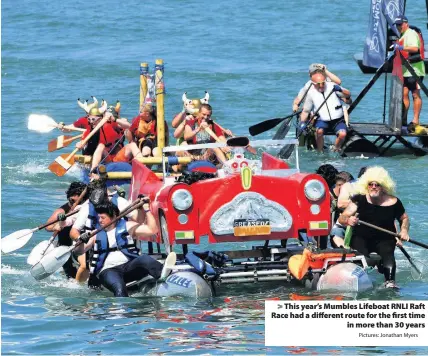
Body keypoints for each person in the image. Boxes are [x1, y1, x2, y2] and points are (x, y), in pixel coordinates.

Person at [74, 201, 176, 297]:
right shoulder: (94, 234)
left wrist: (146, 210)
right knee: (119, 289)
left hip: (128, 267)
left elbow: (152, 230)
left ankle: (163, 274)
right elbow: (78, 251)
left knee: (144, 259)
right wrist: (81, 240)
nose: (100, 220)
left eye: (103, 217)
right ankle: (122, 308)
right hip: (108, 271)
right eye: (99, 217)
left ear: (113, 216)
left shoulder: (128, 226)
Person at [338, 166, 410, 288]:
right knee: (362, 258)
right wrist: (348, 220)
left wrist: (404, 230)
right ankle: (367, 271)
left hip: (385, 239)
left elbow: (404, 218)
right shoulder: (359, 199)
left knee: (388, 254)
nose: (374, 187)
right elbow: (342, 218)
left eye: (377, 184)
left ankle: (390, 283)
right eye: (370, 184)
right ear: (366, 185)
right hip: (361, 237)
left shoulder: (394, 202)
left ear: (384, 187)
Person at [69, 179, 139, 282]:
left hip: (121, 242)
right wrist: (80, 238)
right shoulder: (87, 208)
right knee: (84, 265)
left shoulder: (120, 202)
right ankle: (78, 287)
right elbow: (73, 231)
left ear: (106, 193)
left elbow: (138, 219)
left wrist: (142, 209)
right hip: (96, 244)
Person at [300, 71, 352, 152]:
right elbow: (306, 111)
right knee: (319, 131)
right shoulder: (310, 93)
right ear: (313, 84)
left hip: (338, 120)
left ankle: (336, 149)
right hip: (322, 120)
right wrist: (302, 123)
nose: (321, 86)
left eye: (323, 83)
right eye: (318, 84)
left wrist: (341, 90)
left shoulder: (332, 86)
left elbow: (348, 94)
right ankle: (320, 152)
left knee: (343, 134)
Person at [45, 181, 87, 279]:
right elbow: (47, 226)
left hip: (81, 245)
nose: (75, 204)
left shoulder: (85, 208)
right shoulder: (62, 211)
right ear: (68, 197)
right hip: (65, 249)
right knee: (71, 278)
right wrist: (55, 227)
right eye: (72, 200)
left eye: (79, 200)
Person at [393, 15, 425, 128]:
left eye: (400, 24)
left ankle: (415, 120)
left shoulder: (411, 33)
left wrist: (400, 48)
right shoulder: (402, 35)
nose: (398, 27)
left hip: (415, 70)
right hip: (405, 70)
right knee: (404, 94)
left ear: (406, 23)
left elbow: (415, 48)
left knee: (415, 94)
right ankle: (403, 120)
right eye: (397, 25)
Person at [329, 171, 355, 248]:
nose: (341, 188)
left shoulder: (353, 197)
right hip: (333, 229)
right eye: (338, 185)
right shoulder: (328, 196)